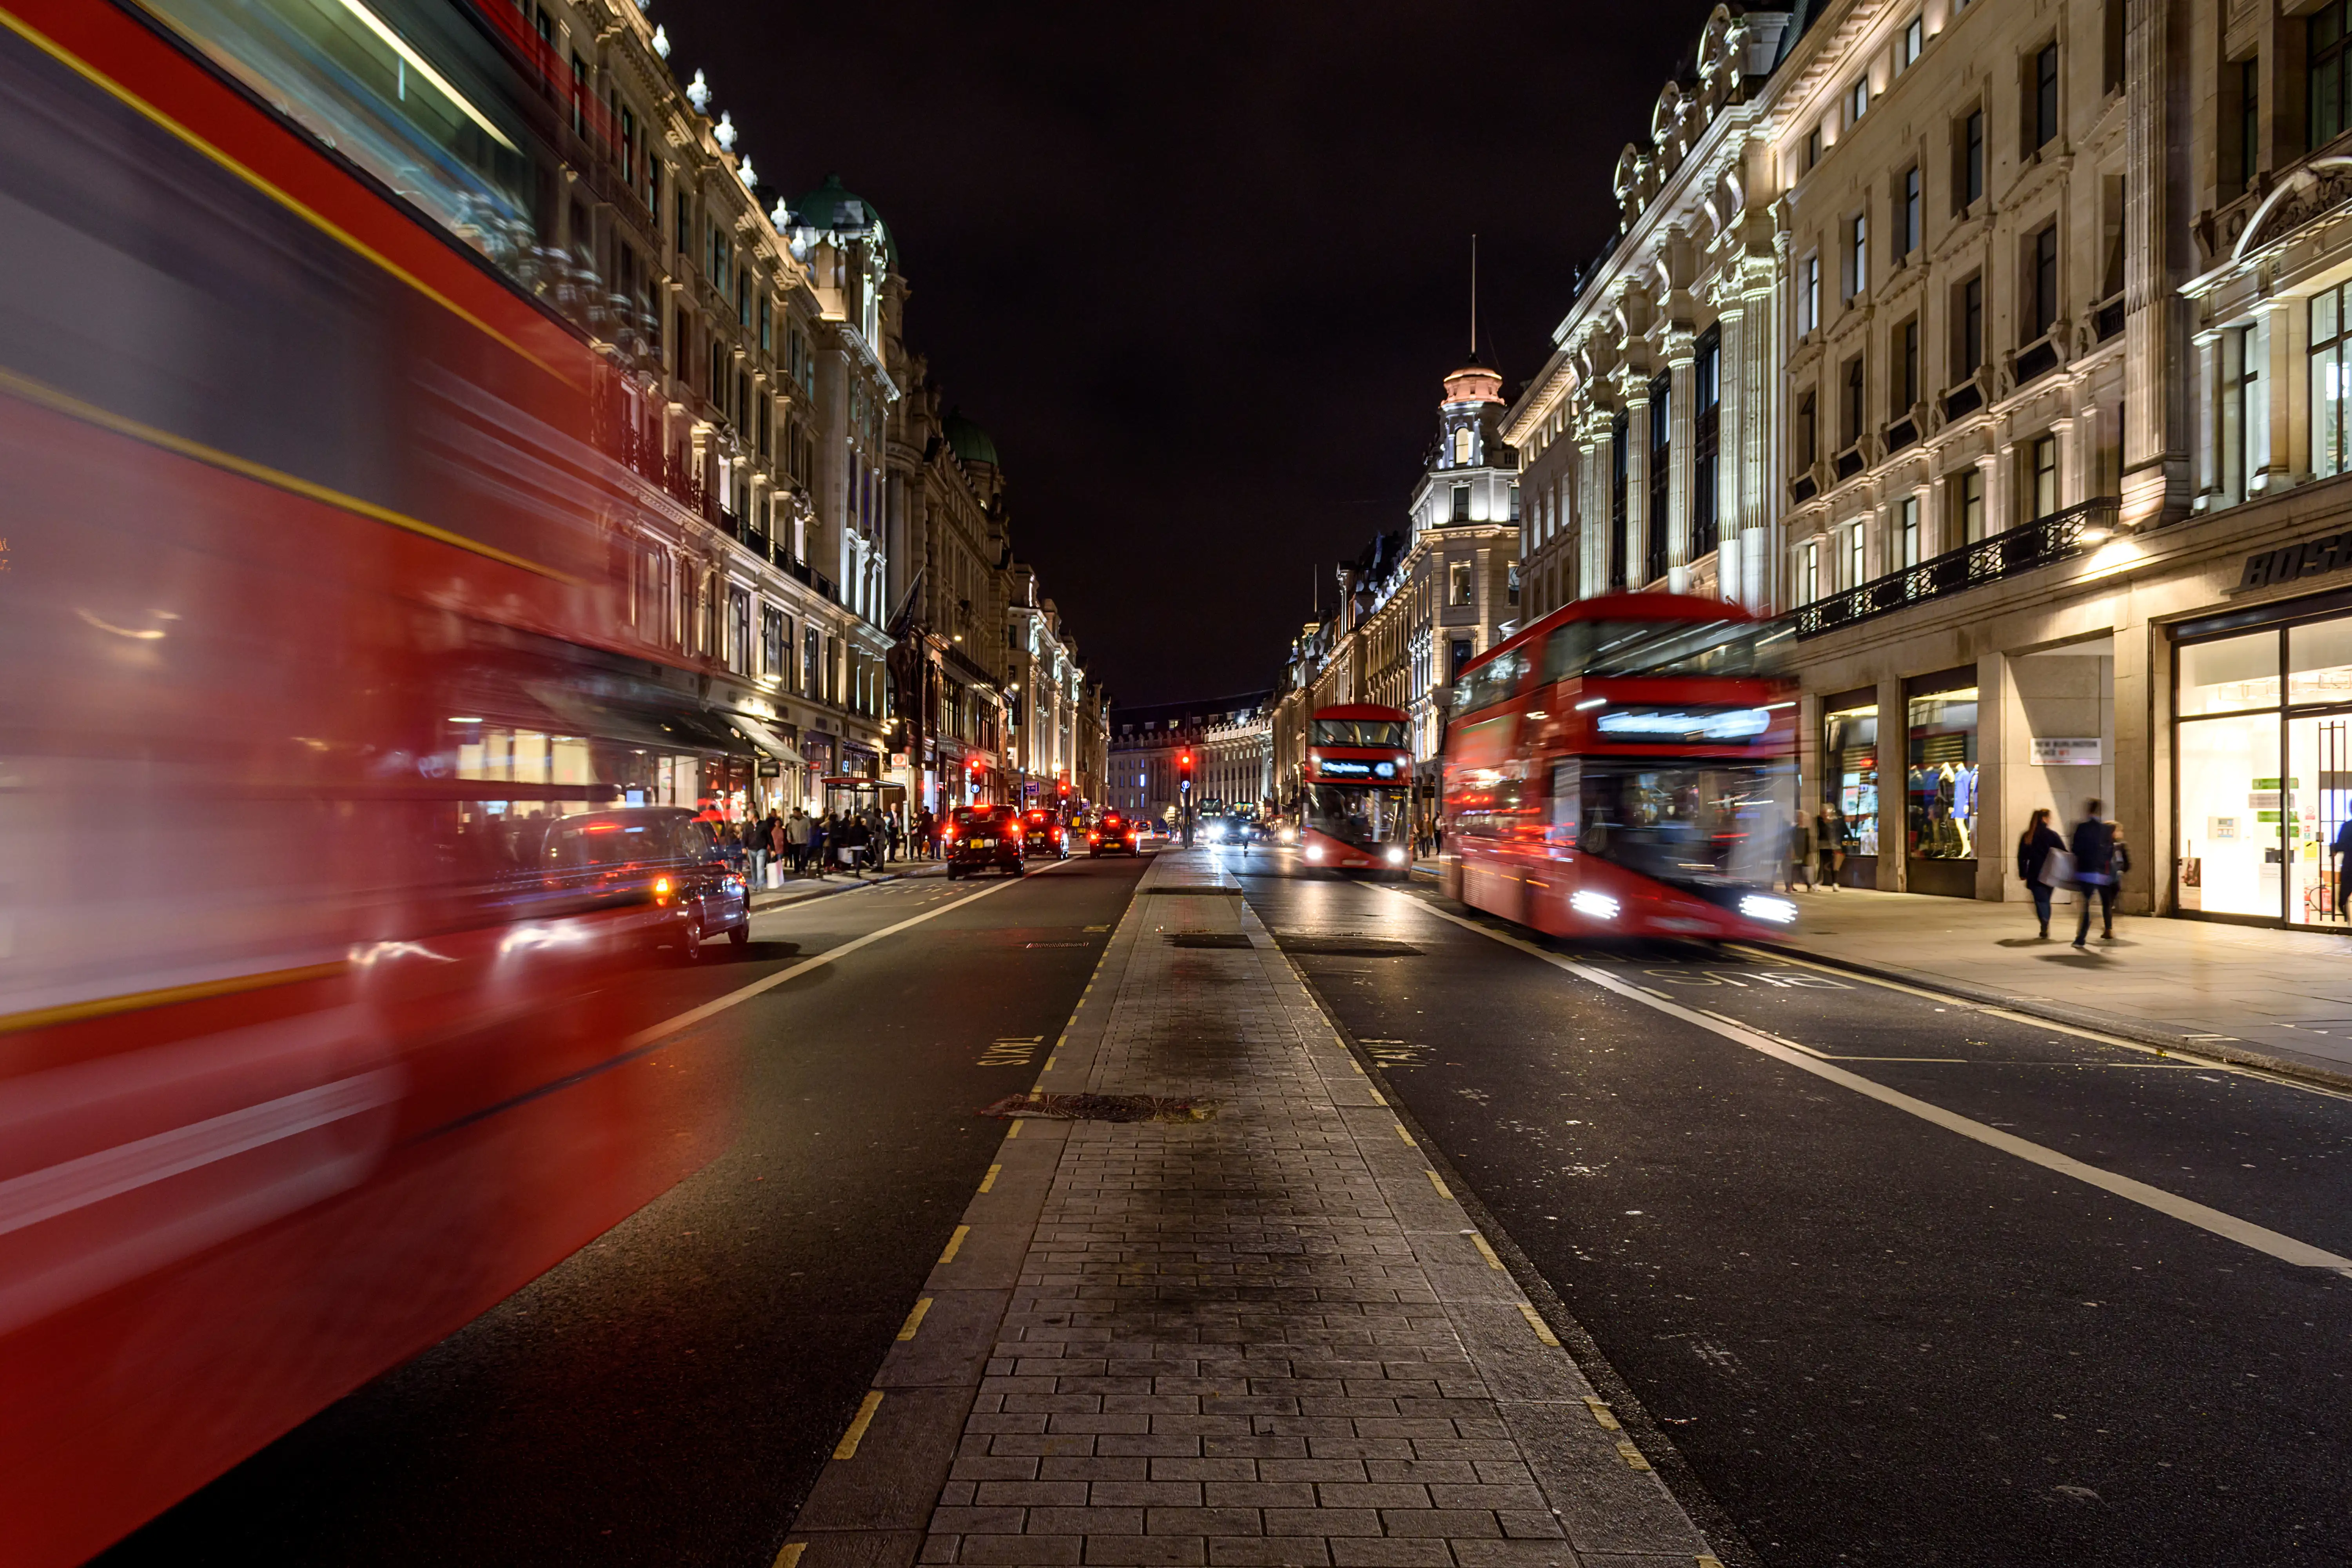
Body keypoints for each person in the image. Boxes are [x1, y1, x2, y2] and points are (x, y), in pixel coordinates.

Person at [2070, 799, 2118, 947]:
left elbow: (2075, 849)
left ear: (2088, 811)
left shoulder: (2081, 828)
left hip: (2085, 872)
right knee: (2106, 903)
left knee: (2085, 905)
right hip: (2102, 873)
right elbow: (2111, 851)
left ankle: (2081, 938)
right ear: (2100, 812)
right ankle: (2108, 927)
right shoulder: (2106, 830)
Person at [2015, 807, 2065, 939]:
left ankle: (2044, 921)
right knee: (2046, 900)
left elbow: (2022, 856)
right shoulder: (2052, 835)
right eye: (2049, 818)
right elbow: (2064, 853)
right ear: (2044, 819)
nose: (2050, 820)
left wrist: (2023, 872)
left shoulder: (2028, 835)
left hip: (2034, 872)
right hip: (2050, 872)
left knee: (2040, 900)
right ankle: (2046, 920)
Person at [1817, 802, 1846, 890]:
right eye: (1824, 812)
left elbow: (1843, 831)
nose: (1825, 814)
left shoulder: (1836, 821)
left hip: (1835, 846)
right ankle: (1818, 882)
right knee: (1822, 865)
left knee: (1835, 865)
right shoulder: (1819, 821)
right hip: (1824, 846)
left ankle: (1835, 883)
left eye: (1827, 811)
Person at [1786, 811, 1815, 892]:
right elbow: (1791, 841)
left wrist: (1809, 853)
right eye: (1798, 817)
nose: (1800, 819)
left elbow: (1808, 842)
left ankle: (1808, 886)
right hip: (1796, 852)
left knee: (1803, 871)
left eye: (1801, 817)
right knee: (1794, 870)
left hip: (1804, 853)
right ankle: (1791, 886)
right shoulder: (1794, 830)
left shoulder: (1806, 830)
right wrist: (1792, 852)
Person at [784, 807, 811, 875]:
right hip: (795, 841)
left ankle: (803, 869)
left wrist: (809, 839)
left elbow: (809, 830)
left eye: (796, 812)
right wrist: (789, 838)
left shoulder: (806, 820)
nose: (795, 814)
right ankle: (797, 869)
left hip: (804, 840)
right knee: (796, 855)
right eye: (794, 813)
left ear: (799, 812)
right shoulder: (792, 820)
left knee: (803, 855)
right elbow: (789, 830)